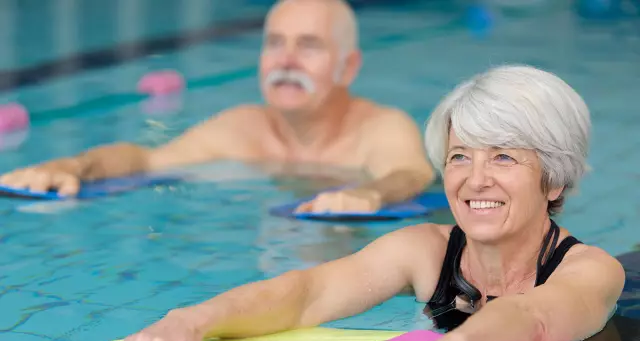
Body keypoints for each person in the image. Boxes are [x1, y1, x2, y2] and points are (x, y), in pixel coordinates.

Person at [110, 65, 625, 341]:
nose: (476, 179)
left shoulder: (591, 270)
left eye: (505, 157)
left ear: (553, 177)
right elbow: (307, 295)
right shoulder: (425, 252)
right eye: (460, 156)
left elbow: (532, 320)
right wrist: (192, 320)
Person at [0, 0, 435, 214]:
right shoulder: (242, 129)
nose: (286, 61)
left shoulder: (381, 128)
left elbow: (410, 174)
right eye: (275, 44)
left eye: (309, 46)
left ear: (348, 66)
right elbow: (145, 159)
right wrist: (73, 166)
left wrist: (369, 194)